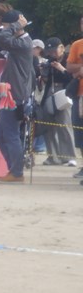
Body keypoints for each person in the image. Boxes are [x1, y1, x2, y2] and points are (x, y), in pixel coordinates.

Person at [0, 6, 34, 183]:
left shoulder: (24, 43)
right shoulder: (20, 42)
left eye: (7, 26)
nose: (5, 29)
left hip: (15, 95)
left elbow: (1, 38)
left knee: (10, 134)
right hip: (10, 93)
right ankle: (14, 170)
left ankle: (16, 172)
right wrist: (14, 26)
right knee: (0, 135)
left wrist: (14, 25)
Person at [38, 37, 76, 167]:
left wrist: (61, 68)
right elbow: (46, 81)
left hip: (64, 93)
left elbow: (72, 78)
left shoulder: (68, 60)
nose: (52, 54)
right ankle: (53, 156)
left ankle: (69, 156)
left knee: (64, 124)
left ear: (61, 48)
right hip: (49, 92)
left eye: (54, 51)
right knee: (48, 126)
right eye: (50, 51)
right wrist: (43, 73)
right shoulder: (49, 61)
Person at [66, 15, 83, 183]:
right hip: (80, 94)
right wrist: (81, 68)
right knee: (80, 130)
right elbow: (69, 66)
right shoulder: (77, 45)